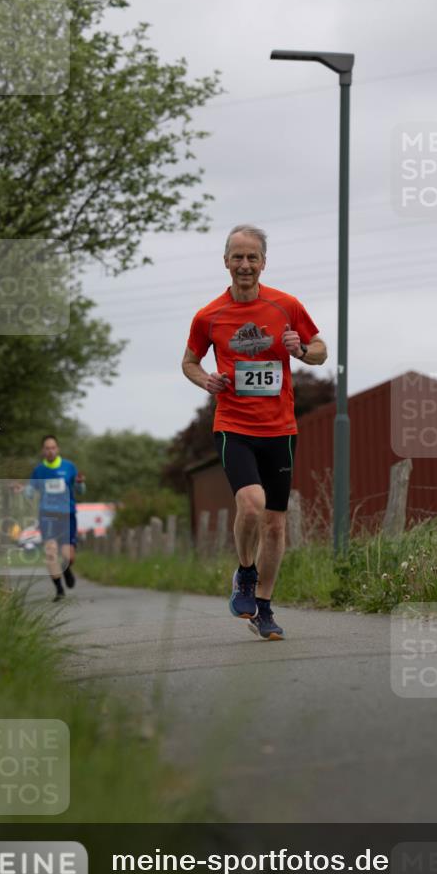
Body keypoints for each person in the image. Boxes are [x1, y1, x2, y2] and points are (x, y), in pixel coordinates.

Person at [182, 224, 328, 639]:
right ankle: (245, 572)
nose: (244, 265)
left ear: (264, 263)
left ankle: (263, 606)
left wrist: (300, 349)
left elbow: (320, 350)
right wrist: (206, 379)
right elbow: (189, 362)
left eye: (252, 257)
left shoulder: (286, 305)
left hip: (280, 429)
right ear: (225, 262)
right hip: (233, 426)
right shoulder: (208, 316)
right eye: (237, 257)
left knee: (277, 525)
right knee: (251, 504)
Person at [27, 435, 86, 601]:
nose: (50, 451)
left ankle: (66, 569)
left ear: (57, 449)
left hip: (67, 515)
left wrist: (80, 483)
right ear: (43, 451)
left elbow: (80, 491)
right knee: (50, 552)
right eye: (47, 448)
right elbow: (30, 492)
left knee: (69, 556)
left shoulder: (69, 467)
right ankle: (59, 590)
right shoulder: (38, 471)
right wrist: (23, 490)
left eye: (53, 447)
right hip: (47, 516)